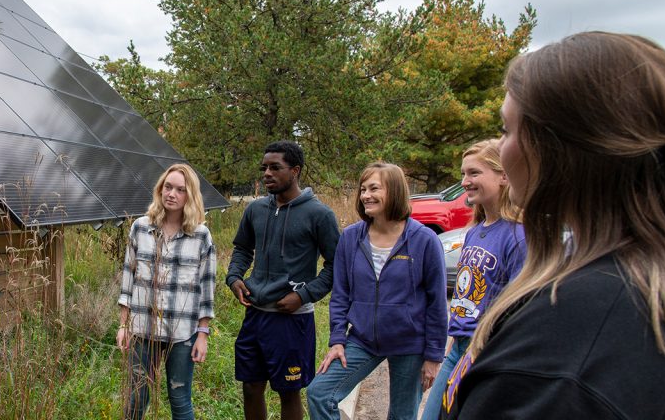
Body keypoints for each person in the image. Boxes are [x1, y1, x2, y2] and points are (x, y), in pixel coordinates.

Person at [443, 32, 665, 418]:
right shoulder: (639, 284)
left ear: (556, 150)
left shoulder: (557, 352)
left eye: (506, 130)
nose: (503, 147)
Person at [307, 162, 447, 420]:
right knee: (320, 392)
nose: (365, 195)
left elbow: (437, 303)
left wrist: (434, 356)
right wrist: (337, 339)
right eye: (363, 189)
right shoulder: (350, 237)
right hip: (363, 340)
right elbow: (340, 294)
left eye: (374, 188)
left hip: (410, 344)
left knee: (402, 416)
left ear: (394, 191)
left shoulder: (424, 240)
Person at [226, 141, 341, 420]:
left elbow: (336, 266)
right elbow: (242, 248)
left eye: (275, 167)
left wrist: (303, 295)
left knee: (289, 391)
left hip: (292, 320)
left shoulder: (319, 214)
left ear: (295, 170)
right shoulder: (255, 210)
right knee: (251, 387)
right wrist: (234, 277)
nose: (267, 173)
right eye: (264, 167)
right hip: (255, 315)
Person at [419, 140, 525, 419]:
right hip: (459, 348)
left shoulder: (519, 235)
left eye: (474, 173)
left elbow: (518, 310)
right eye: (464, 174)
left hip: (487, 352)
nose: (465, 181)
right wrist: (454, 342)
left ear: (504, 176)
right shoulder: (473, 232)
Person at [116, 163, 216, 420]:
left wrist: (202, 334)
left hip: (182, 333)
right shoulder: (140, 228)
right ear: (160, 189)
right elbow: (128, 278)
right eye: (167, 187)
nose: (172, 194)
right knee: (137, 397)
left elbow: (206, 288)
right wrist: (123, 325)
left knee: (180, 397)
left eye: (180, 190)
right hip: (141, 329)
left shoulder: (201, 236)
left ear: (190, 196)